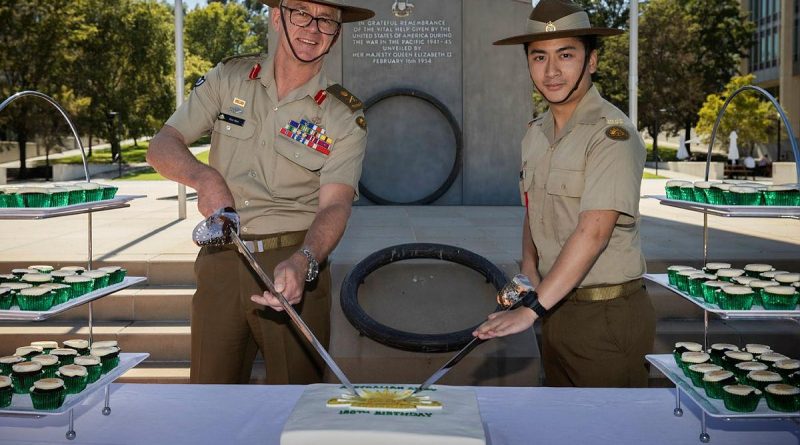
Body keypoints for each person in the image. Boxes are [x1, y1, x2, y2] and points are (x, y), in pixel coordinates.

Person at [146, 0, 374, 384]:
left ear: (337, 33)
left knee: (294, 401)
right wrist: (205, 178)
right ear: (276, 15)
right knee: (210, 398)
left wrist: (305, 260)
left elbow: (335, 205)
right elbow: (162, 145)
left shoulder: (343, 115)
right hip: (222, 257)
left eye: (327, 21)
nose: (313, 28)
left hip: (294, 265)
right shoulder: (229, 78)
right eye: (301, 12)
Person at [474, 0, 656, 388]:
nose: (551, 71)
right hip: (556, 309)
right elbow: (533, 208)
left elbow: (593, 233)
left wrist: (532, 310)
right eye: (539, 57)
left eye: (566, 55)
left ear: (591, 61)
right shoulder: (536, 132)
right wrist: (528, 270)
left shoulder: (611, 136)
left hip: (605, 315)